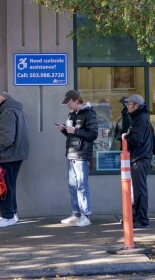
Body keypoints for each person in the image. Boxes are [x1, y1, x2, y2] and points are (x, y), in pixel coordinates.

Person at [0, 91, 30, 228]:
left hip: (7, 156)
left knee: (4, 187)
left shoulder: (7, 112)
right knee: (10, 185)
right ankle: (13, 213)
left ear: (4, 99)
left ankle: (7, 216)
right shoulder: (17, 111)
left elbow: (7, 137)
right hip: (14, 155)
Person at [56, 89, 98, 227]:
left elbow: (93, 135)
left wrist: (75, 131)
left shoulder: (89, 114)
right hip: (72, 153)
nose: (68, 106)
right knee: (72, 186)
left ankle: (85, 215)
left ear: (76, 100)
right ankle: (76, 214)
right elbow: (72, 136)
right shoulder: (72, 114)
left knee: (81, 185)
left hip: (82, 154)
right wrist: (64, 130)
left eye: (69, 103)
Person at [121, 94, 154, 229]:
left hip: (140, 158)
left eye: (129, 104)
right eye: (127, 104)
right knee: (135, 191)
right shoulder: (138, 117)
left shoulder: (140, 119)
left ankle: (142, 219)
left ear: (137, 106)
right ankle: (134, 216)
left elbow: (137, 139)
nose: (127, 106)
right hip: (139, 157)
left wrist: (126, 137)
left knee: (139, 190)